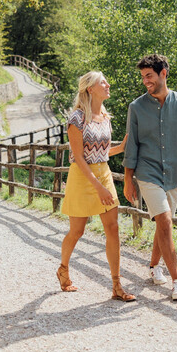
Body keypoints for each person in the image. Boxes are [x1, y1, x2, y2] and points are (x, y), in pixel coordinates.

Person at [123, 54, 177, 300]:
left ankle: (153, 265)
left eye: (149, 75)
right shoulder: (136, 108)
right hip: (147, 173)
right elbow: (132, 147)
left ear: (163, 74)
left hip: (174, 174)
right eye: (142, 77)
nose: (145, 81)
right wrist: (129, 179)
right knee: (166, 221)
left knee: (163, 223)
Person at [58, 71, 135, 302]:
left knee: (112, 228)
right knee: (77, 231)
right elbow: (80, 157)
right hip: (82, 177)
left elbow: (101, 152)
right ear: (90, 88)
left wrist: (121, 147)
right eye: (103, 82)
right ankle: (63, 269)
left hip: (104, 173)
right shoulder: (77, 119)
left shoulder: (105, 116)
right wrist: (98, 187)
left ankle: (116, 285)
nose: (108, 84)